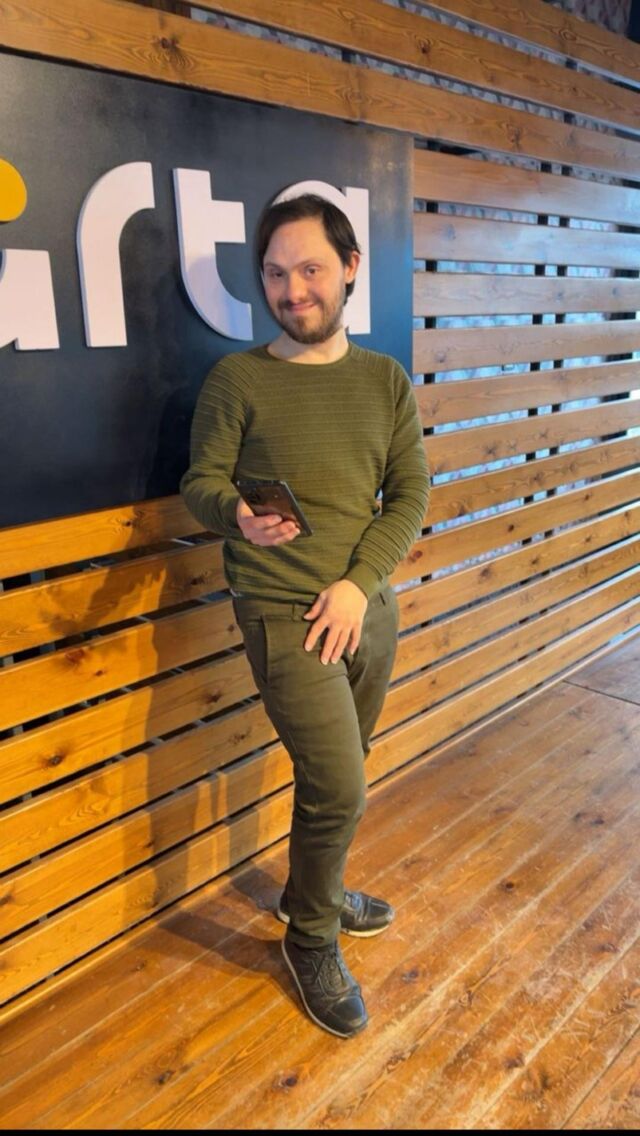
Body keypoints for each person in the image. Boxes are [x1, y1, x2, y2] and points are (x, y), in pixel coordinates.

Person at [180, 193, 430, 1039]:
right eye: (276, 273)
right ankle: (311, 937)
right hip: (283, 613)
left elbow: (411, 494)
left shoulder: (384, 380)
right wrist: (236, 515)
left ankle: (308, 894)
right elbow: (201, 481)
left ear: (351, 267)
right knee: (340, 785)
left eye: (311, 269)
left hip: (368, 610)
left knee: (341, 776)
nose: (293, 291)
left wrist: (359, 585)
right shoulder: (238, 380)